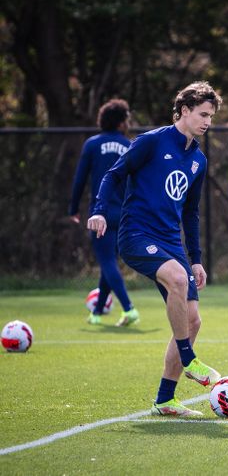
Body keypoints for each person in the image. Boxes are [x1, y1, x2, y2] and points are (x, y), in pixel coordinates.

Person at [88, 81, 223, 416]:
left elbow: (190, 213)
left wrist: (197, 260)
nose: (207, 121)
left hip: (171, 242)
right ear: (184, 111)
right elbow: (113, 176)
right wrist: (100, 209)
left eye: (211, 116)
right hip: (136, 235)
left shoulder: (199, 161)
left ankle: (165, 399)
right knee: (176, 280)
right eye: (202, 114)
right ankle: (190, 360)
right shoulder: (151, 142)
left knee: (193, 322)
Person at [69, 99, 138, 327]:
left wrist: (73, 208)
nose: (128, 123)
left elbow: (80, 179)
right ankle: (97, 312)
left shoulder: (92, 144)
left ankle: (129, 309)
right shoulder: (129, 145)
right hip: (124, 212)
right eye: (126, 118)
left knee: (107, 261)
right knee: (109, 263)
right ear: (119, 122)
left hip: (101, 212)